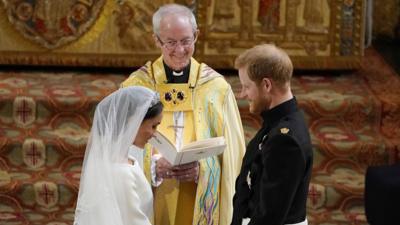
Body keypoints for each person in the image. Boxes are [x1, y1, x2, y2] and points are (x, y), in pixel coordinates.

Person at [120, 3, 246, 225]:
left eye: (186, 41)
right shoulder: (136, 88)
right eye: (170, 42)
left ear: (196, 36)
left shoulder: (216, 89)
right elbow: (117, 151)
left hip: (197, 198)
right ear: (156, 40)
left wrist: (203, 170)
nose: (180, 50)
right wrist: (152, 166)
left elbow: (234, 157)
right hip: (153, 200)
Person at [231, 44, 313, 225]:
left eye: (246, 86)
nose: (243, 94)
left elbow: (270, 216)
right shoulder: (279, 122)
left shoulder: (285, 139)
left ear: (266, 85)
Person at [73, 86, 163, 225]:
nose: (154, 134)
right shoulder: (122, 172)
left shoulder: (120, 159)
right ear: (135, 121)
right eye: (153, 126)